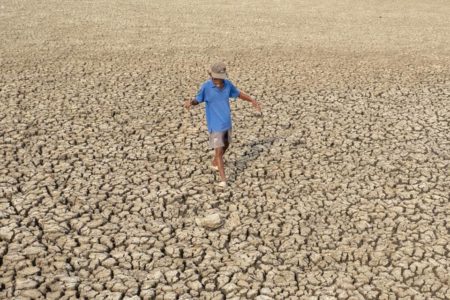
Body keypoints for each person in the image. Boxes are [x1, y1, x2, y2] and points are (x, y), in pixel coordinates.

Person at [184, 62, 261, 188]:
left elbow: (238, 93)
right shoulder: (206, 87)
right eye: (217, 77)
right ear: (212, 77)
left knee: (227, 145)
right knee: (219, 151)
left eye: (222, 77)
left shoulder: (228, 85)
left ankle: (214, 162)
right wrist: (190, 103)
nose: (220, 80)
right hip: (215, 125)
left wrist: (252, 100)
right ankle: (223, 179)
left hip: (226, 122)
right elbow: (198, 99)